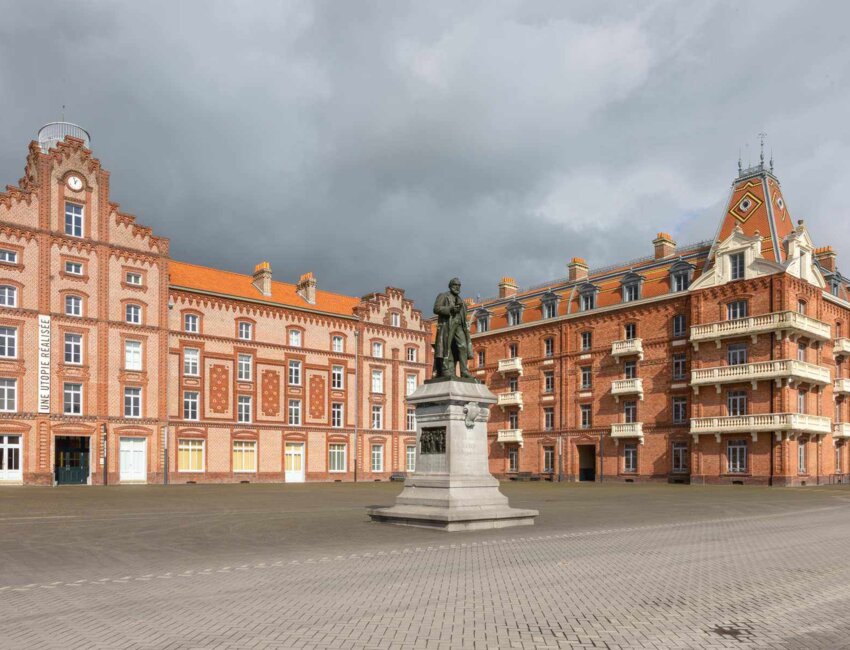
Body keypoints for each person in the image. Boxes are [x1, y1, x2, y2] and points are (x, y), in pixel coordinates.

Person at [432, 277, 475, 379]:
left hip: (459, 326)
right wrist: (450, 309)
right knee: (446, 347)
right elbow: (436, 308)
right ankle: (445, 369)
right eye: (455, 285)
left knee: (463, 346)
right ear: (450, 286)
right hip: (447, 325)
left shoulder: (462, 301)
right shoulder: (443, 296)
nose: (457, 287)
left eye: (459, 285)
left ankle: (464, 371)